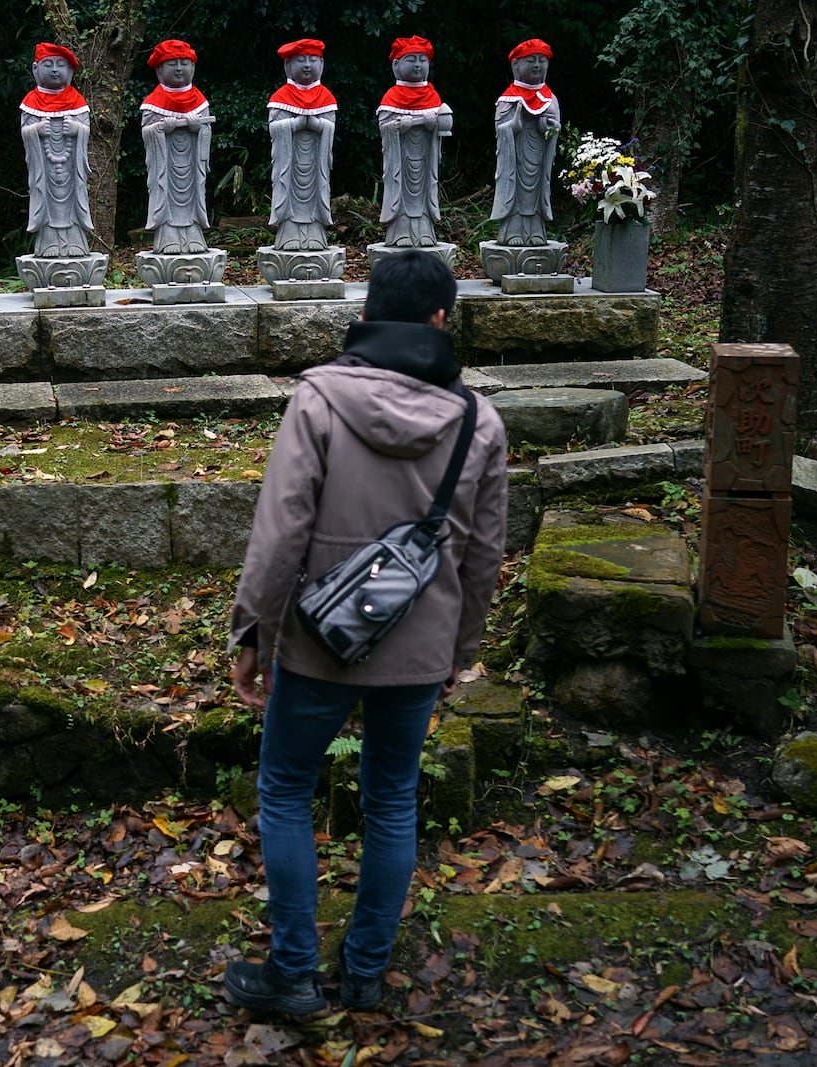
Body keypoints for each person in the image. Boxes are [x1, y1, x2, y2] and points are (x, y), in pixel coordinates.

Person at [222, 251, 509, 1015]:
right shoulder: (479, 421)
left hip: (318, 640)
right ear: (442, 318)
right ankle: (365, 973)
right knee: (390, 800)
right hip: (419, 648)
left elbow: (281, 532)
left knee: (284, 789)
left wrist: (254, 630)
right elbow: (484, 556)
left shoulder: (318, 399)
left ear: (367, 311)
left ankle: (292, 972)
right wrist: (462, 648)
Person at [20, 42, 95, 258]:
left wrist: (77, 130)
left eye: (60, 65)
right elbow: (25, 132)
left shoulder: (77, 102)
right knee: (45, 199)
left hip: (71, 171)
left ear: (69, 71)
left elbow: (85, 130)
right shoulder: (30, 103)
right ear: (36, 69)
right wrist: (35, 130)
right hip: (44, 172)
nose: (54, 69)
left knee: (73, 201)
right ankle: (48, 245)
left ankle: (76, 244)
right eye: (49, 64)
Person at [377, 37, 452, 248]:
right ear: (396, 65)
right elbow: (384, 127)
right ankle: (400, 233)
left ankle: (425, 232)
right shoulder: (391, 97)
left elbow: (444, 126)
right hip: (401, 161)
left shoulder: (433, 96)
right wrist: (399, 126)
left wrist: (433, 124)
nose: (418, 64)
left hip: (425, 161)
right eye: (411, 59)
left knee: (422, 192)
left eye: (422, 59)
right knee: (402, 193)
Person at [141, 39, 214, 255]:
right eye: (173, 64)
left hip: (191, 168)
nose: (180, 68)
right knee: (165, 195)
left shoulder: (200, 102)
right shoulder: (153, 102)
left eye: (185, 63)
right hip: (166, 169)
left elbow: (207, 130)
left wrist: (197, 129)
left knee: (192, 195)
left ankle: (194, 236)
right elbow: (146, 132)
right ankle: (167, 239)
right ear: (159, 70)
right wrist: (161, 129)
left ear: (193, 67)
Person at [267, 39, 337, 252]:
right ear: (288, 66)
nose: (307, 65)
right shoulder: (281, 98)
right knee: (288, 193)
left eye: (312, 60)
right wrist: (294, 124)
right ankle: (288, 235)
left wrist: (317, 125)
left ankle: (316, 235)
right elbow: (274, 128)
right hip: (290, 166)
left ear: (322, 65)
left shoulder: (326, 97)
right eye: (301, 60)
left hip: (316, 167)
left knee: (318, 191)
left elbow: (330, 128)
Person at [491, 39, 560, 247]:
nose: (537, 66)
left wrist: (547, 127)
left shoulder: (550, 99)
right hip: (515, 159)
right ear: (515, 65)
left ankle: (536, 231)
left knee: (537, 189)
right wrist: (512, 126)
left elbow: (555, 127)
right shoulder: (508, 99)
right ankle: (512, 231)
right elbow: (500, 128)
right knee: (516, 188)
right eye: (531, 60)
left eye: (542, 61)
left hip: (539, 158)